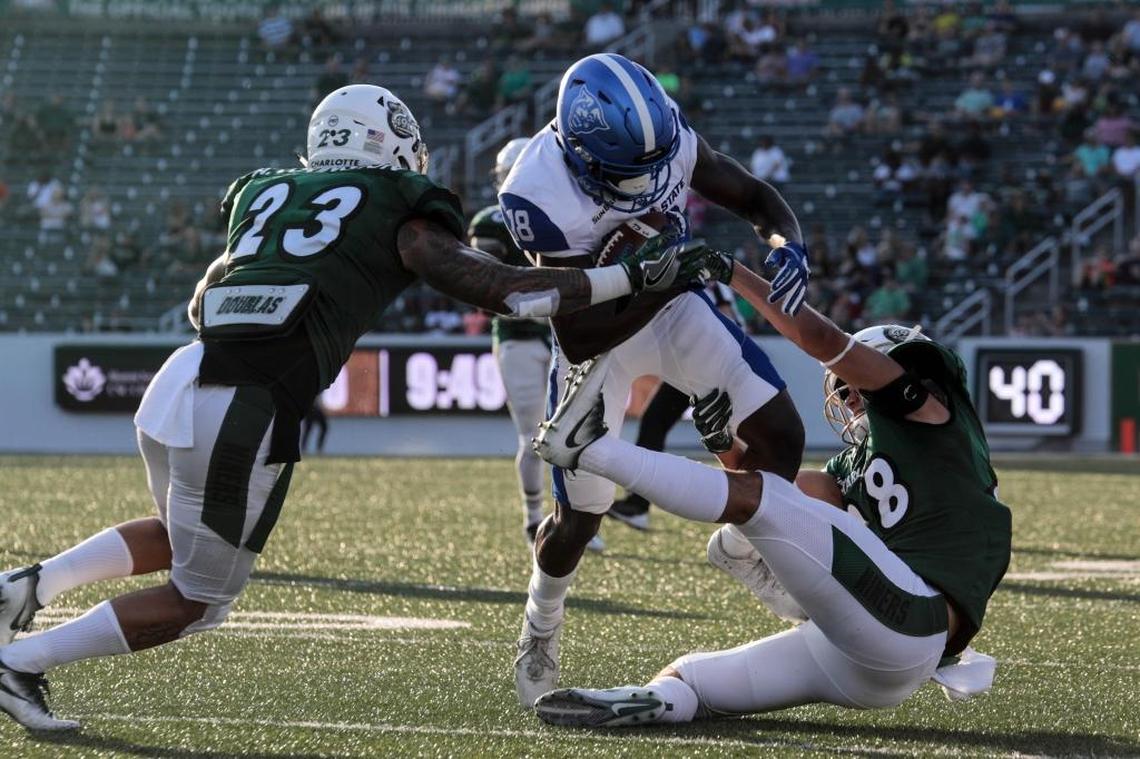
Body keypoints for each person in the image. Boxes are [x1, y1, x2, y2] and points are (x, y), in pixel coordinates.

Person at [0, 84, 709, 732]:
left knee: (176, 529)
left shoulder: (268, 189)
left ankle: (29, 584)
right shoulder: (398, 203)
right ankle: (23, 660)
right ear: (388, 139)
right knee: (199, 599)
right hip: (245, 401)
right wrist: (626, 277)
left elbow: (204, 293)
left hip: (181, 375)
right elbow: (510, 293)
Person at [529, 248, 1010, 728]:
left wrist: (733, 272)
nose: (851, 396)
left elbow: (821, 338)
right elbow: (768, 490)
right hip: (866, 655)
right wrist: (723, 445)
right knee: (687, 678)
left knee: (752, 518)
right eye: (844, 389)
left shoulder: (932, 415)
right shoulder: (856, 464)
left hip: (913, 620)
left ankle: (592, 448)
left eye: (855, 384)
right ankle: (653, 701)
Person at [498, 53, 808, 710]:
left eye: (655, 165)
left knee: (781, 433)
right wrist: (654, 272)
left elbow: (753, 196)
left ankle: (739, 544)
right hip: (597, 340)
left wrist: (790, 243)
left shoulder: (665, 134)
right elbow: (580, 332)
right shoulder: (536, 191)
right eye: (627, 172)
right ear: (582, 154)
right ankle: (540, 624)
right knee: (580, 518)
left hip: (673, 308)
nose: (648, 182)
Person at [467, 138, 603, 553]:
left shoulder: (569, 213)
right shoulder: (492, 220)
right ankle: (532, 520)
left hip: (565, 335)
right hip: (520, 336)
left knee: (582, 434)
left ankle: (576, 521)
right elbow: (482, 285)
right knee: (532, 437)